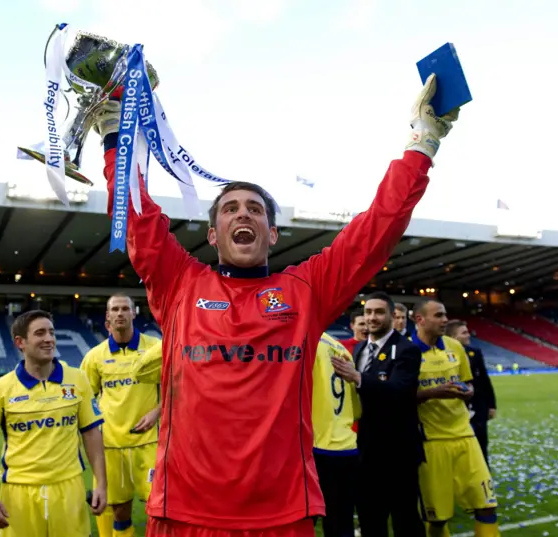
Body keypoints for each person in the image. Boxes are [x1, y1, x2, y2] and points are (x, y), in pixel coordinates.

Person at [93, 73, 459, 537]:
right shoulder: (180, 284)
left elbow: (377, 229)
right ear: (212, 235)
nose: (242, 213)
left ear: (272, 234)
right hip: (184, 513)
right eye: (229, 209)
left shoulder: (305, 291)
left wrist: (422, 143)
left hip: (282, 515)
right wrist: (112, 131)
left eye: (255, 209)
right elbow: (137, 216)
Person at [0, 310, 107, 537]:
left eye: (51, 332)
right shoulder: (0, 389)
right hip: (18, 494)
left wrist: (101, 484)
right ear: (20, 342)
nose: (49, 338)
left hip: (69, 489)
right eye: (40, 333)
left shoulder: (77, 379)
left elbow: (91, 434)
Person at [331, 291, 424, 537]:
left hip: (398, 451)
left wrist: (358, 377)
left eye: (379, 312)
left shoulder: (407, 350)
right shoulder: (359, 349)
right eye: (368, 312)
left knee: (405, 518)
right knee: (370, 517)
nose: (372, 317)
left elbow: (400, 391)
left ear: (392, 316)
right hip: (364, 450)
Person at [412, 299, 500, 537]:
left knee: (487, 506)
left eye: (445, 315)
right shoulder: (406, 351)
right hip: (431, 443)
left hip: (465, 436)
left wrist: (468, 392)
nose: (445, 320)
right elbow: (398, 395)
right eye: (438, 315)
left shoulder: (454, 347)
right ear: (419, 319)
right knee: (438, 518)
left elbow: (469, 383)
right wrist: (433, 393)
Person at [81, 294, 163, 537]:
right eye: (114, 309)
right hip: (111, 446)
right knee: (119, 510)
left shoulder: (155, 348)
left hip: (149, 444)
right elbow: (86, 399)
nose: (119, 313)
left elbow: (177, 387)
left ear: (133, 313)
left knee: (159, 507)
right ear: (107, 316)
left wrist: (157, 412)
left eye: (125, 308)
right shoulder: (95, 357)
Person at [311, 333, 361, 537]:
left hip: (315, 447)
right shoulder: (339, 347)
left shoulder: (304, 342)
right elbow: (357, 410)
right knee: (341, 524)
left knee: (299, 522)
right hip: (346, 447)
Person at [445, 319, 497, 465]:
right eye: (464, 333)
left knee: (481, 446)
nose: (468, 335)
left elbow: (485, 381)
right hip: (455, 410)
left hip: (479, 408)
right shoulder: (443, 356)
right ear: (453, 337)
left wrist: (491, 405)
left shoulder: (475, 352)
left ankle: (485, 482)